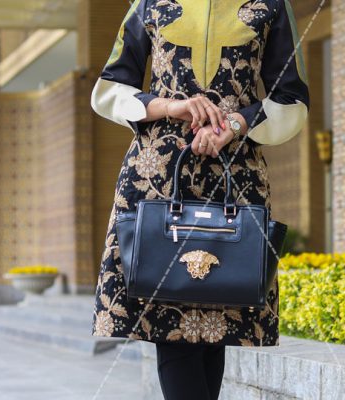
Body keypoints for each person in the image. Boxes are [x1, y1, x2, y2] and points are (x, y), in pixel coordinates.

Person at [90, 0, 309, 399]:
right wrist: (171, 106)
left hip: (234, 177)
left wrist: (235, 123)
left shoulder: (271, 6)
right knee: (171, 321)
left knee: (215, 321)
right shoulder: (150, 4)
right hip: (159, 177)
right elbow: (109, 90)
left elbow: (291, 99)